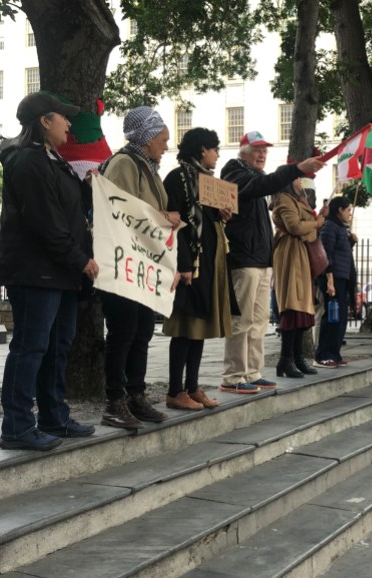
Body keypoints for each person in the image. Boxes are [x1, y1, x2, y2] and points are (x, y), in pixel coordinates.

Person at [0, 92, 99, 450]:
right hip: (35, 271)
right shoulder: (27, 161)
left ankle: (54, 416)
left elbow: (68, 212)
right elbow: (45, 223)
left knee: (57, 346)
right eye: (63, 118)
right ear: (44, 121)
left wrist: (86, 190)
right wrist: (79, 259)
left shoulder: (54, 161)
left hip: (59, 272)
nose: (69, 124)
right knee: (30, 347)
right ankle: (17, 426)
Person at [220, 132, 324, 391]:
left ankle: (253, 373)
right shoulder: (234, 171)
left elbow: (263, 186)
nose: (262, 154)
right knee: (242, 320)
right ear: (243, 151)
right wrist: (296, 169)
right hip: (243, 257)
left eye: (265, 150)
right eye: (256, 149)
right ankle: (234, 376)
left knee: (258, 321)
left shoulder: (255, 178)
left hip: (259, 259)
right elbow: (261, 187)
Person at [99, 106, 180, 429]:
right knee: (123, 332)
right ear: (146, 138)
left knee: (142, 331)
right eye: (162, 138)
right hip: (124, 264)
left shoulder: (147, 165)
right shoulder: (124, 163)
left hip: (143, 265)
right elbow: (119, 210)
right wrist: (165, 219)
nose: (166, 145)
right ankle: (114, 401)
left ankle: (135, 395)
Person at [162, 128, 236, 410]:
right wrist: (182, 264)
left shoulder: (207, 181)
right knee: (185, 327)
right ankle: (174, 390)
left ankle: (192, 387)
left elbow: (206, 220)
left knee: (200, 326)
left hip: (207, 263)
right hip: (189, 265)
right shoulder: (179, 177)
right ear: (202, 150)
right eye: (215, 149)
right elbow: (176, 224)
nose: (218, 154)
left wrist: (222, 215)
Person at [271, 170, 324, 377]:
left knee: (302, 308)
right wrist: (315, 224)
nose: (300, 182)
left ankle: (296, 357)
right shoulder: (284, 200)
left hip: (300, 254)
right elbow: (294, 227)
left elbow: (305, 230)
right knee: (293, 307)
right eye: (296, 178)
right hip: (290, 254)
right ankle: (287, 359)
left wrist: (309, 227)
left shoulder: (296, 200)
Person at [315, 196, 355, 367]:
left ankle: (335, 352)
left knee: (340, 318)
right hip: (333, 277)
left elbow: (341, 251)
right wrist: (329, 280)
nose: (350, 214)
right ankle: (323, 354)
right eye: (348, 210)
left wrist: (350, 242)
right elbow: (327, 254)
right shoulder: (329, 226)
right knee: (332, 316)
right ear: (339, 210)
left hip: (343, 276)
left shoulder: (340, 228)